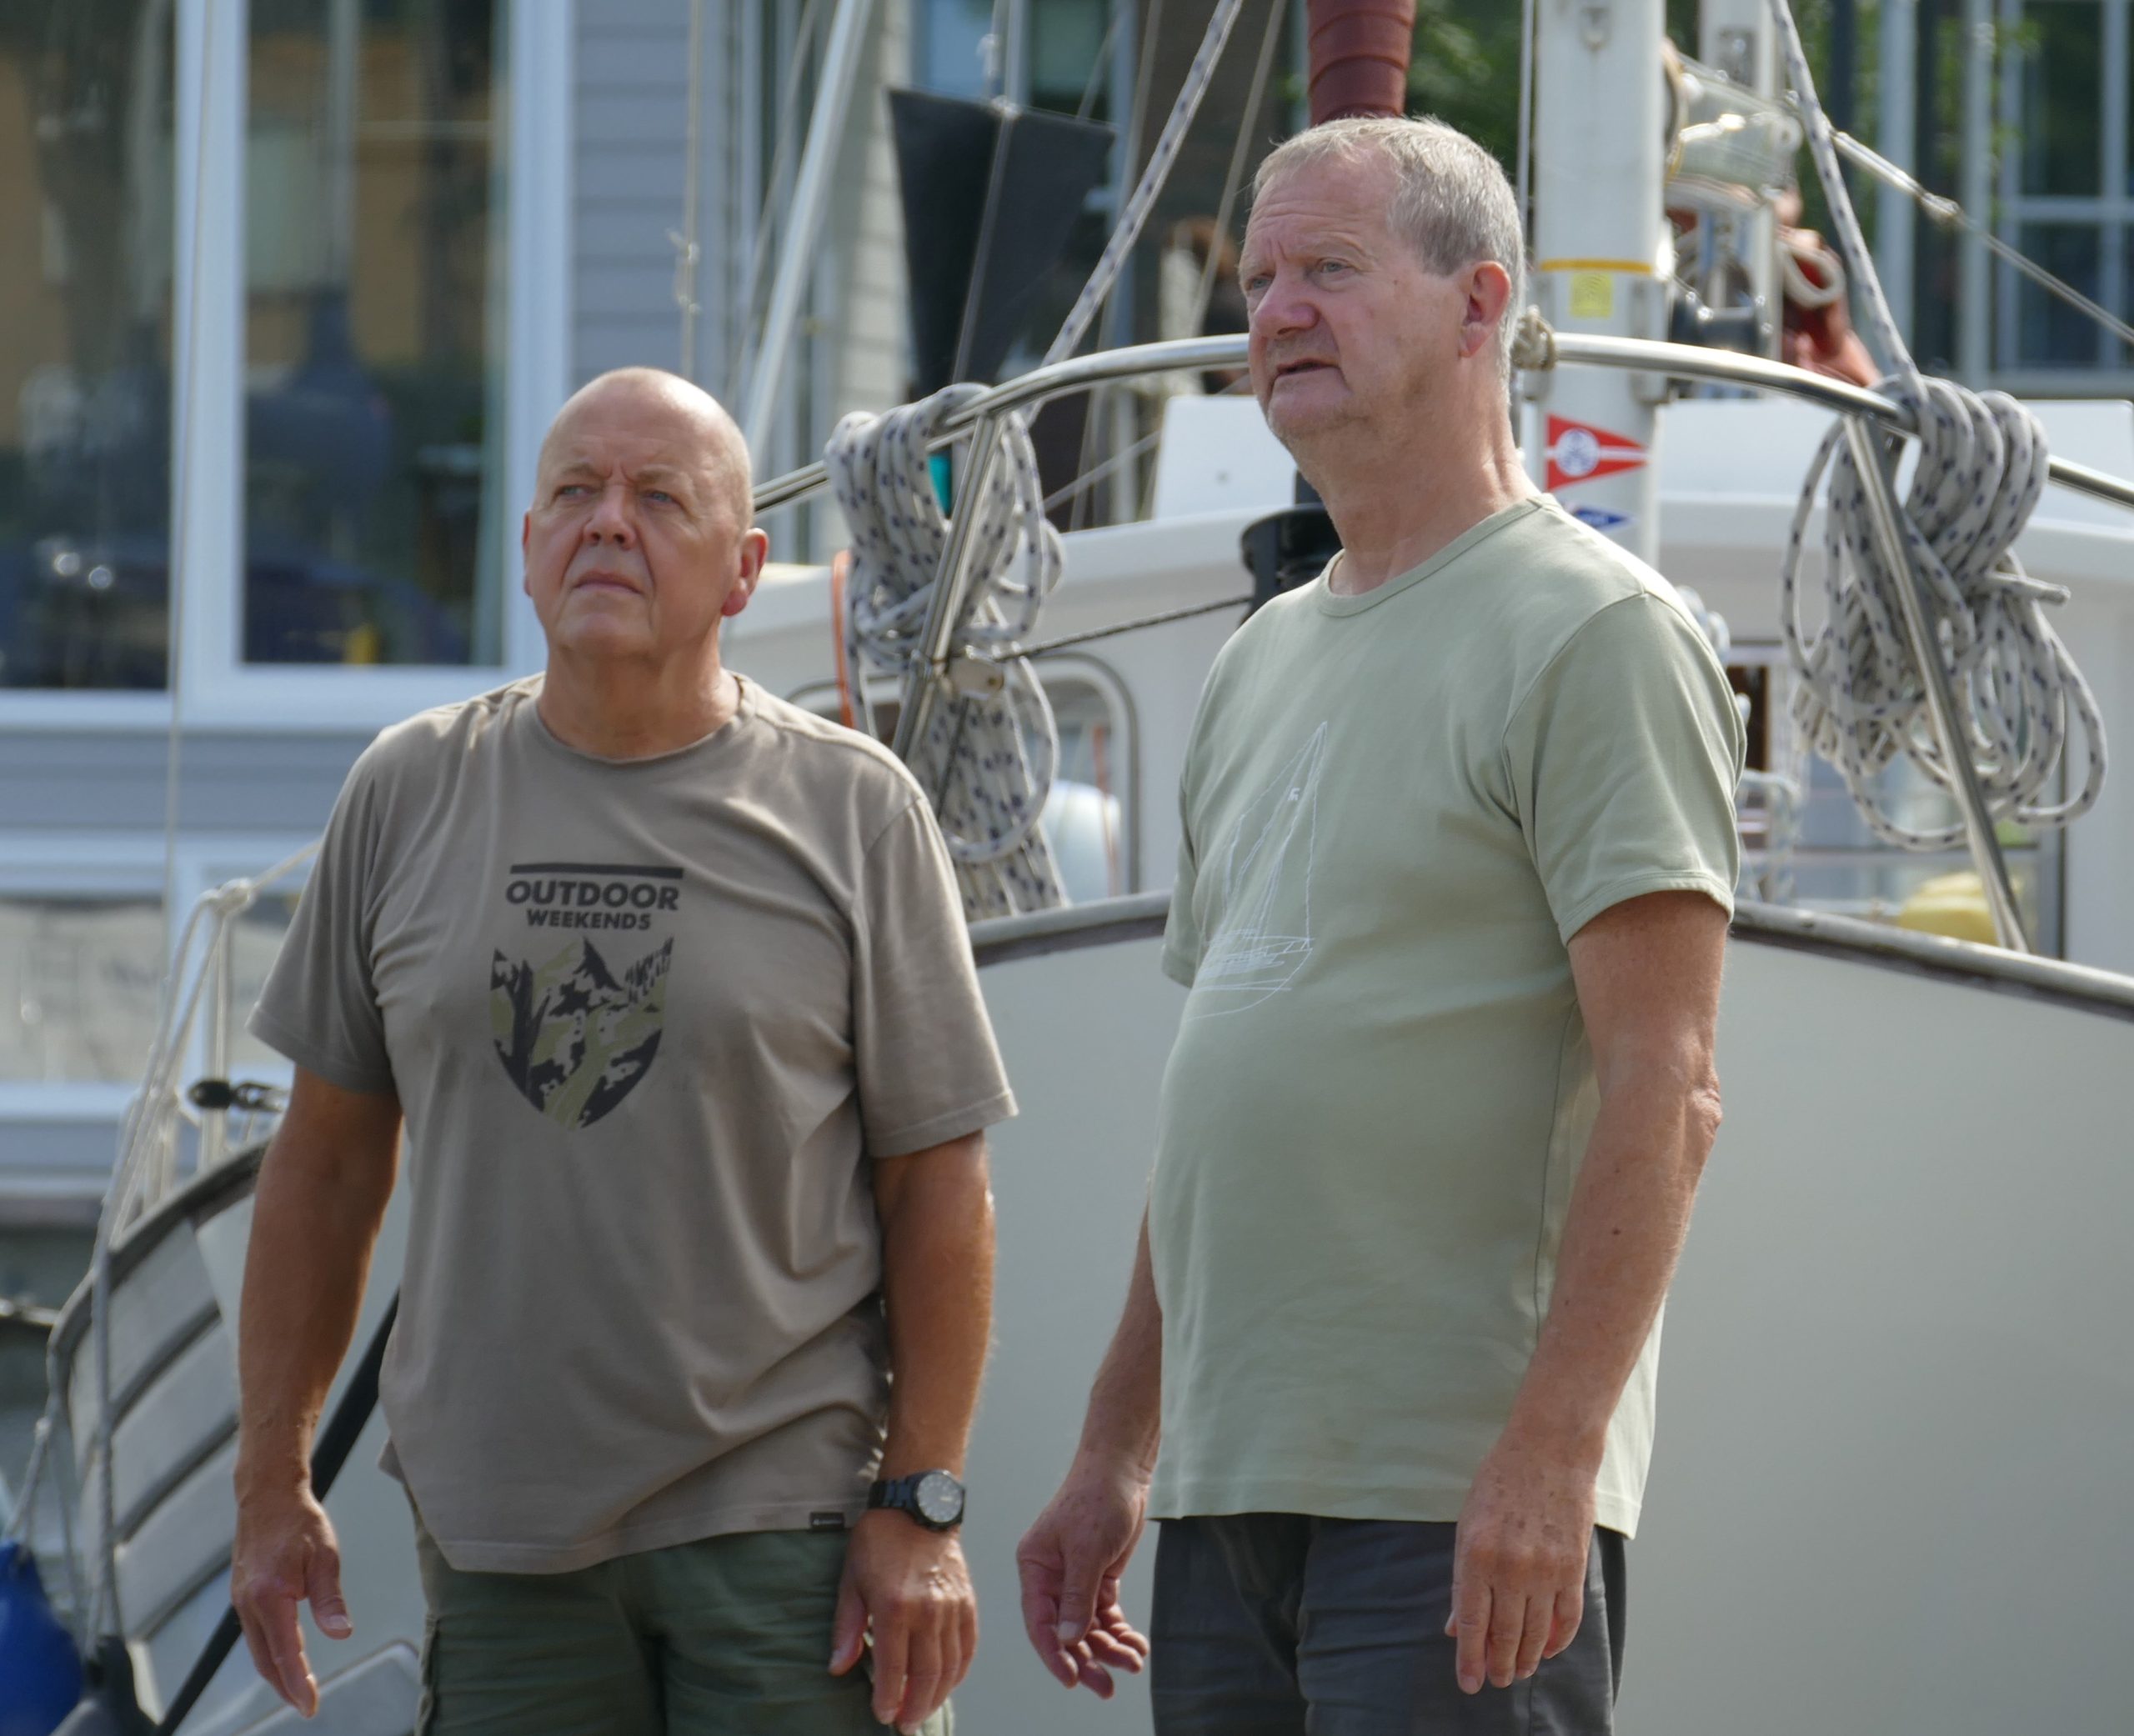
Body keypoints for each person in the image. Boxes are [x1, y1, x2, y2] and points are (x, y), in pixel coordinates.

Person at [1016, 117, 1744, 1733]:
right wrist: (1115, 1450)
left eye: (1330, 270)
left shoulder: (1597, 634)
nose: (1275, 310)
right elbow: (1217, 1104)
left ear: (1479, 304)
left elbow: (1669, 1087)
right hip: (1226, 1500)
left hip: (1451, 1504)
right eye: (1260, 278)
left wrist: (1550, 1455)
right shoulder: (1256, 661)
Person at [231, 368, 1014, 1736]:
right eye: (576, 493)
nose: (608, 522)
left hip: (789, 1532)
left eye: (659, 497)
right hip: (503, 1550)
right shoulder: (406, 792)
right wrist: (268, 1482)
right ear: (529, 546)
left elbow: (938, 1188)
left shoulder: (854, 810)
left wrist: (923, 1503)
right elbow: (328, 1167)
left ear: (744, 570)